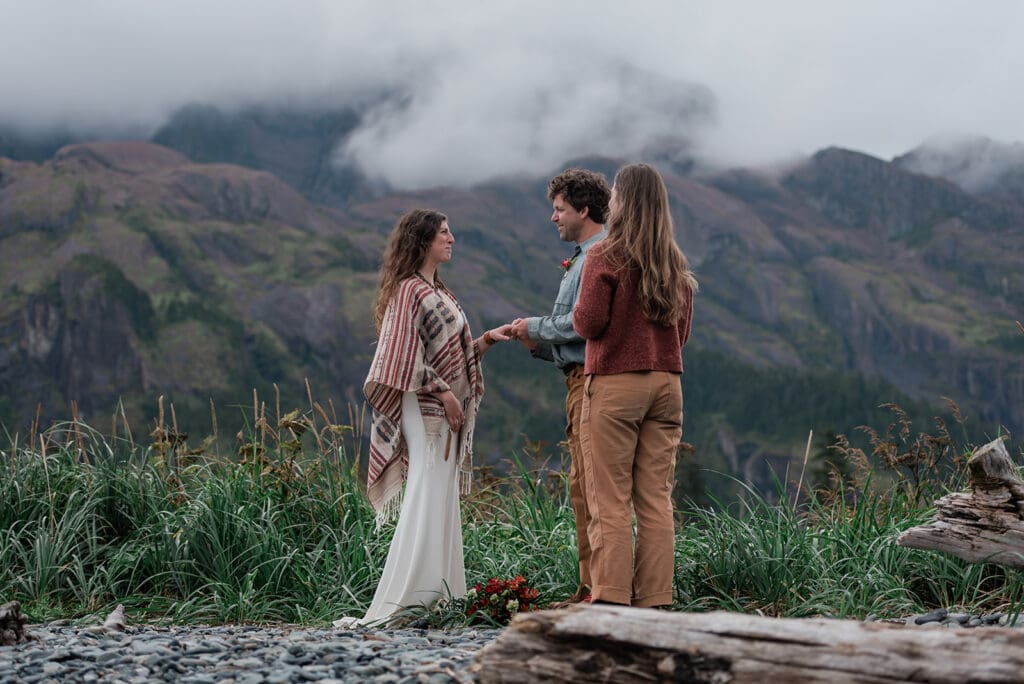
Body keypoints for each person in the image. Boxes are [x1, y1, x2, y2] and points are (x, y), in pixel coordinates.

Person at [334, 209, 512, 628]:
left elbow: (450, 353)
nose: (452, 239)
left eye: (451, 233)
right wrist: (445, 391)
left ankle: (440, 596)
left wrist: (485, 340)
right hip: (426, 408)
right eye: (444, 234)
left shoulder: (441, 291)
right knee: (426, 491)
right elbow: (397, 360)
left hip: (444, 408)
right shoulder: (409, 291)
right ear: (423, 241)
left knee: (441, 495)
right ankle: (406, 599)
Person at [572, 163, 697, 608]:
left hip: (615, 384)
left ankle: (610, 598)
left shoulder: (605, 255)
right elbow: (680, 335)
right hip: (667, 385)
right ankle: (656, 599)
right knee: (656, 500)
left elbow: (588, 323)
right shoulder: (674, 262)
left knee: (609, 498)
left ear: (621, 200)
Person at [508, 168, 610, 606]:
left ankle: (598, 593)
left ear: (584, 210)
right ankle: (589, 587)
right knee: (579, 487)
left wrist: (533, 325)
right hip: (576, 378)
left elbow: (585, 325)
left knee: (592, 489)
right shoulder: (584, 257)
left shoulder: (596, 258)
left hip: (590, 384)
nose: (553, 218)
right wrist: (537, 346)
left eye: (559, 209)